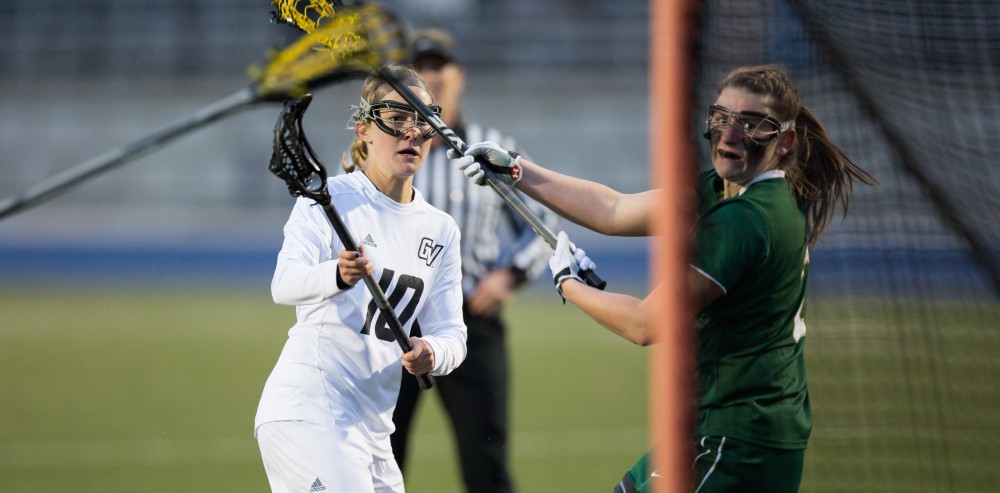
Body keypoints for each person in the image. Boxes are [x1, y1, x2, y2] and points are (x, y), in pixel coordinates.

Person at [454, 64, 877, 492]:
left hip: (740, 441)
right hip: (722, 428)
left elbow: (644, 324)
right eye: (722, 119)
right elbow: (614, 211)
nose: (730, 136)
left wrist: (567, 283)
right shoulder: (724, 190)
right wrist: (516, 171)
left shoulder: (746, 220)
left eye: (751, 125)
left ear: (784, 141)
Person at [254, 63, 468, 493]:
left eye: (422, 121)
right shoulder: (328, 199)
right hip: (310, 412)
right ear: (364, 129)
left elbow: (453, 334)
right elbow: (285, 282)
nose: (411, 132)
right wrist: (337, 273)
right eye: (395, 118)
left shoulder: (440, 229)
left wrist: (432, 353)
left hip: (372, 431)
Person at [389, 28, 558, 493]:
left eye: (438, 66)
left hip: (470, 322)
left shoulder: (486, 146)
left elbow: (543, 224)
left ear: (458, 76)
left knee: (486, 461)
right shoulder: (384, 152)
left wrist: (511, 275)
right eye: (419, 69)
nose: (430, 77)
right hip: (394, 323)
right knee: (378, 459)